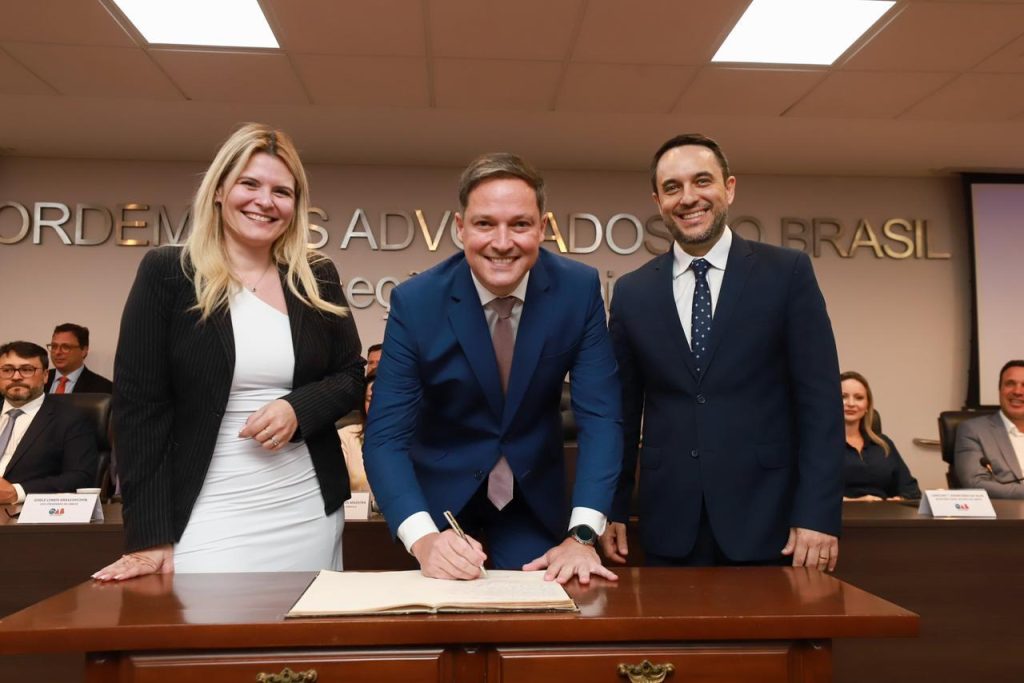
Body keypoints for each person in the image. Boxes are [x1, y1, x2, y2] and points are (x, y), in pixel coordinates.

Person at [93, 123, 364, 581]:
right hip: (205, 503)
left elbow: (352, 376)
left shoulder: (315, 275)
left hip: (306, 502)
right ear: (219, 190)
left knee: (302, 625)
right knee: (205, 622)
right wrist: (148, 536)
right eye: (249, 184)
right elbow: (139, 409)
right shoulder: (169, 272)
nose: (265, 201)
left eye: (282, 191)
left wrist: (298, 408)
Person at [364, 152, 622, 583]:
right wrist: (423, 540)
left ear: (542, 227)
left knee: (541, 606)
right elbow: (385, 437)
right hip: (440, 499)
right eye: (485, 223)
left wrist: (581, 535)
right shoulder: (417, 301)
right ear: (460, 227)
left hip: (531, 498)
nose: (502, 243)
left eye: (520, 224)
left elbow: (602, 416)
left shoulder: (577, 290)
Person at [604, 133, 844, 571]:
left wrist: (817, 513)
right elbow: (621, 413)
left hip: (770, 523)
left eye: (702, 181)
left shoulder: (787, 274)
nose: (688, 198)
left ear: (729, 188)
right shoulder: (632, 292)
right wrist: (612, 507)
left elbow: (821, 404)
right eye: (672, 187)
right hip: (669, 525)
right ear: (658, 201)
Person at [0, 341, 98, 503]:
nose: (16, 377)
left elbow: (81, 477)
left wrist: (18, 492)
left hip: (23, 512)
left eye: (27, 369)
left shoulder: (70, 419)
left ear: (45, 376)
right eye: (7, 370)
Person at [840, 371, 920, 501]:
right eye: (843, 396)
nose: (851, 403)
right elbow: (811, 494)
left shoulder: (883, 444)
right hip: (839, 513)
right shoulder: (819, 444)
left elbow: (912, 491)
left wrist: (899, 499)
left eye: (859, 398)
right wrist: (855, 502)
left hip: (882, 512)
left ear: (867, 406)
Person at [955, 360, 1024, 499]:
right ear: (1000, 390)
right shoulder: (973, 430)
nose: (1017, 391)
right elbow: (975, 484)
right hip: (1006, 512)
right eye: (1010, 384)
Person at [44, 323, 113, 394]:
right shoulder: (40, 378)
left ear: (84, 351)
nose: (57, 352)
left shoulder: (104, 388)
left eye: (65, 347)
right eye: (54, 346)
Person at [339, 372, 375, 493]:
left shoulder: (414, 438)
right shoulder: (346, 436)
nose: (377, 406)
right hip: (357, 505)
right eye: (370, 399)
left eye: (384, 400)